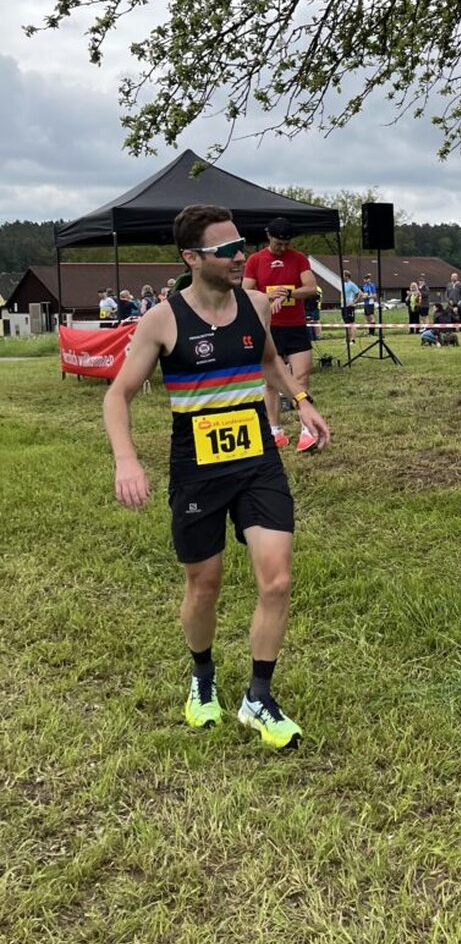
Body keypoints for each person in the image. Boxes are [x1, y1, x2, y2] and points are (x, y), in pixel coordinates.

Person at [103, 204, 330, 750]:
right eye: (226, 250)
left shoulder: (256, 304)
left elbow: (269, 362)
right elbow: (118, 394)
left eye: (241, 246)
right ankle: (202, 678)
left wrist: (302, 401)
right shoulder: (163, 319)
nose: (240, 257)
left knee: (276, 579)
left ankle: (258, 698)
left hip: (257, 461)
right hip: (197, 468)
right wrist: (127, 460)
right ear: (192, 257)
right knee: (204, 585)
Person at [243, 217, 320, 453]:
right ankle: (275, 431)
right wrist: (268, 296)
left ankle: (307, 431)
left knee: (302, 377)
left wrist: (286, 294)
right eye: (278, 243)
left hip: (295, 325)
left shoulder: (298, 258)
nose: (282, 248)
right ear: (269, 236)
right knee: (270, 381)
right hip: (269, 327)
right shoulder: (255, 260)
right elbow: (245, 292)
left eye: (286, 244)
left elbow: (310, 287)